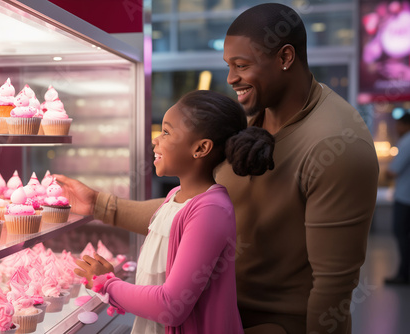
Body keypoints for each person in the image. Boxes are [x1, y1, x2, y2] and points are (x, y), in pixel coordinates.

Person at [57, 3, 379, 333]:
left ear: (285, 58)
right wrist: (99, 205)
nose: (230, 78)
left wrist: (109, 283)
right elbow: (184, 215)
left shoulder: (338, 145)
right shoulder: (253, 118)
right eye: (228, 65)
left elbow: (333, 290)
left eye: (241, 65)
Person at [72, 89, 275, 334]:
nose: (155, 140)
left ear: (200, 148)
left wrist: (109, 285)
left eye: (167, 132)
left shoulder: (211, 211)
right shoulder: (174, 197)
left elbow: (171, 306)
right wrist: (119, 296)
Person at [385, 107, 410, 285]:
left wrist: (384, 174)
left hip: (404, 198)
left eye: (398, 125)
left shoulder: (407, 142)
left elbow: (393, 171)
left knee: (402, 235)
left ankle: (404, 274)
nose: (396, 128)